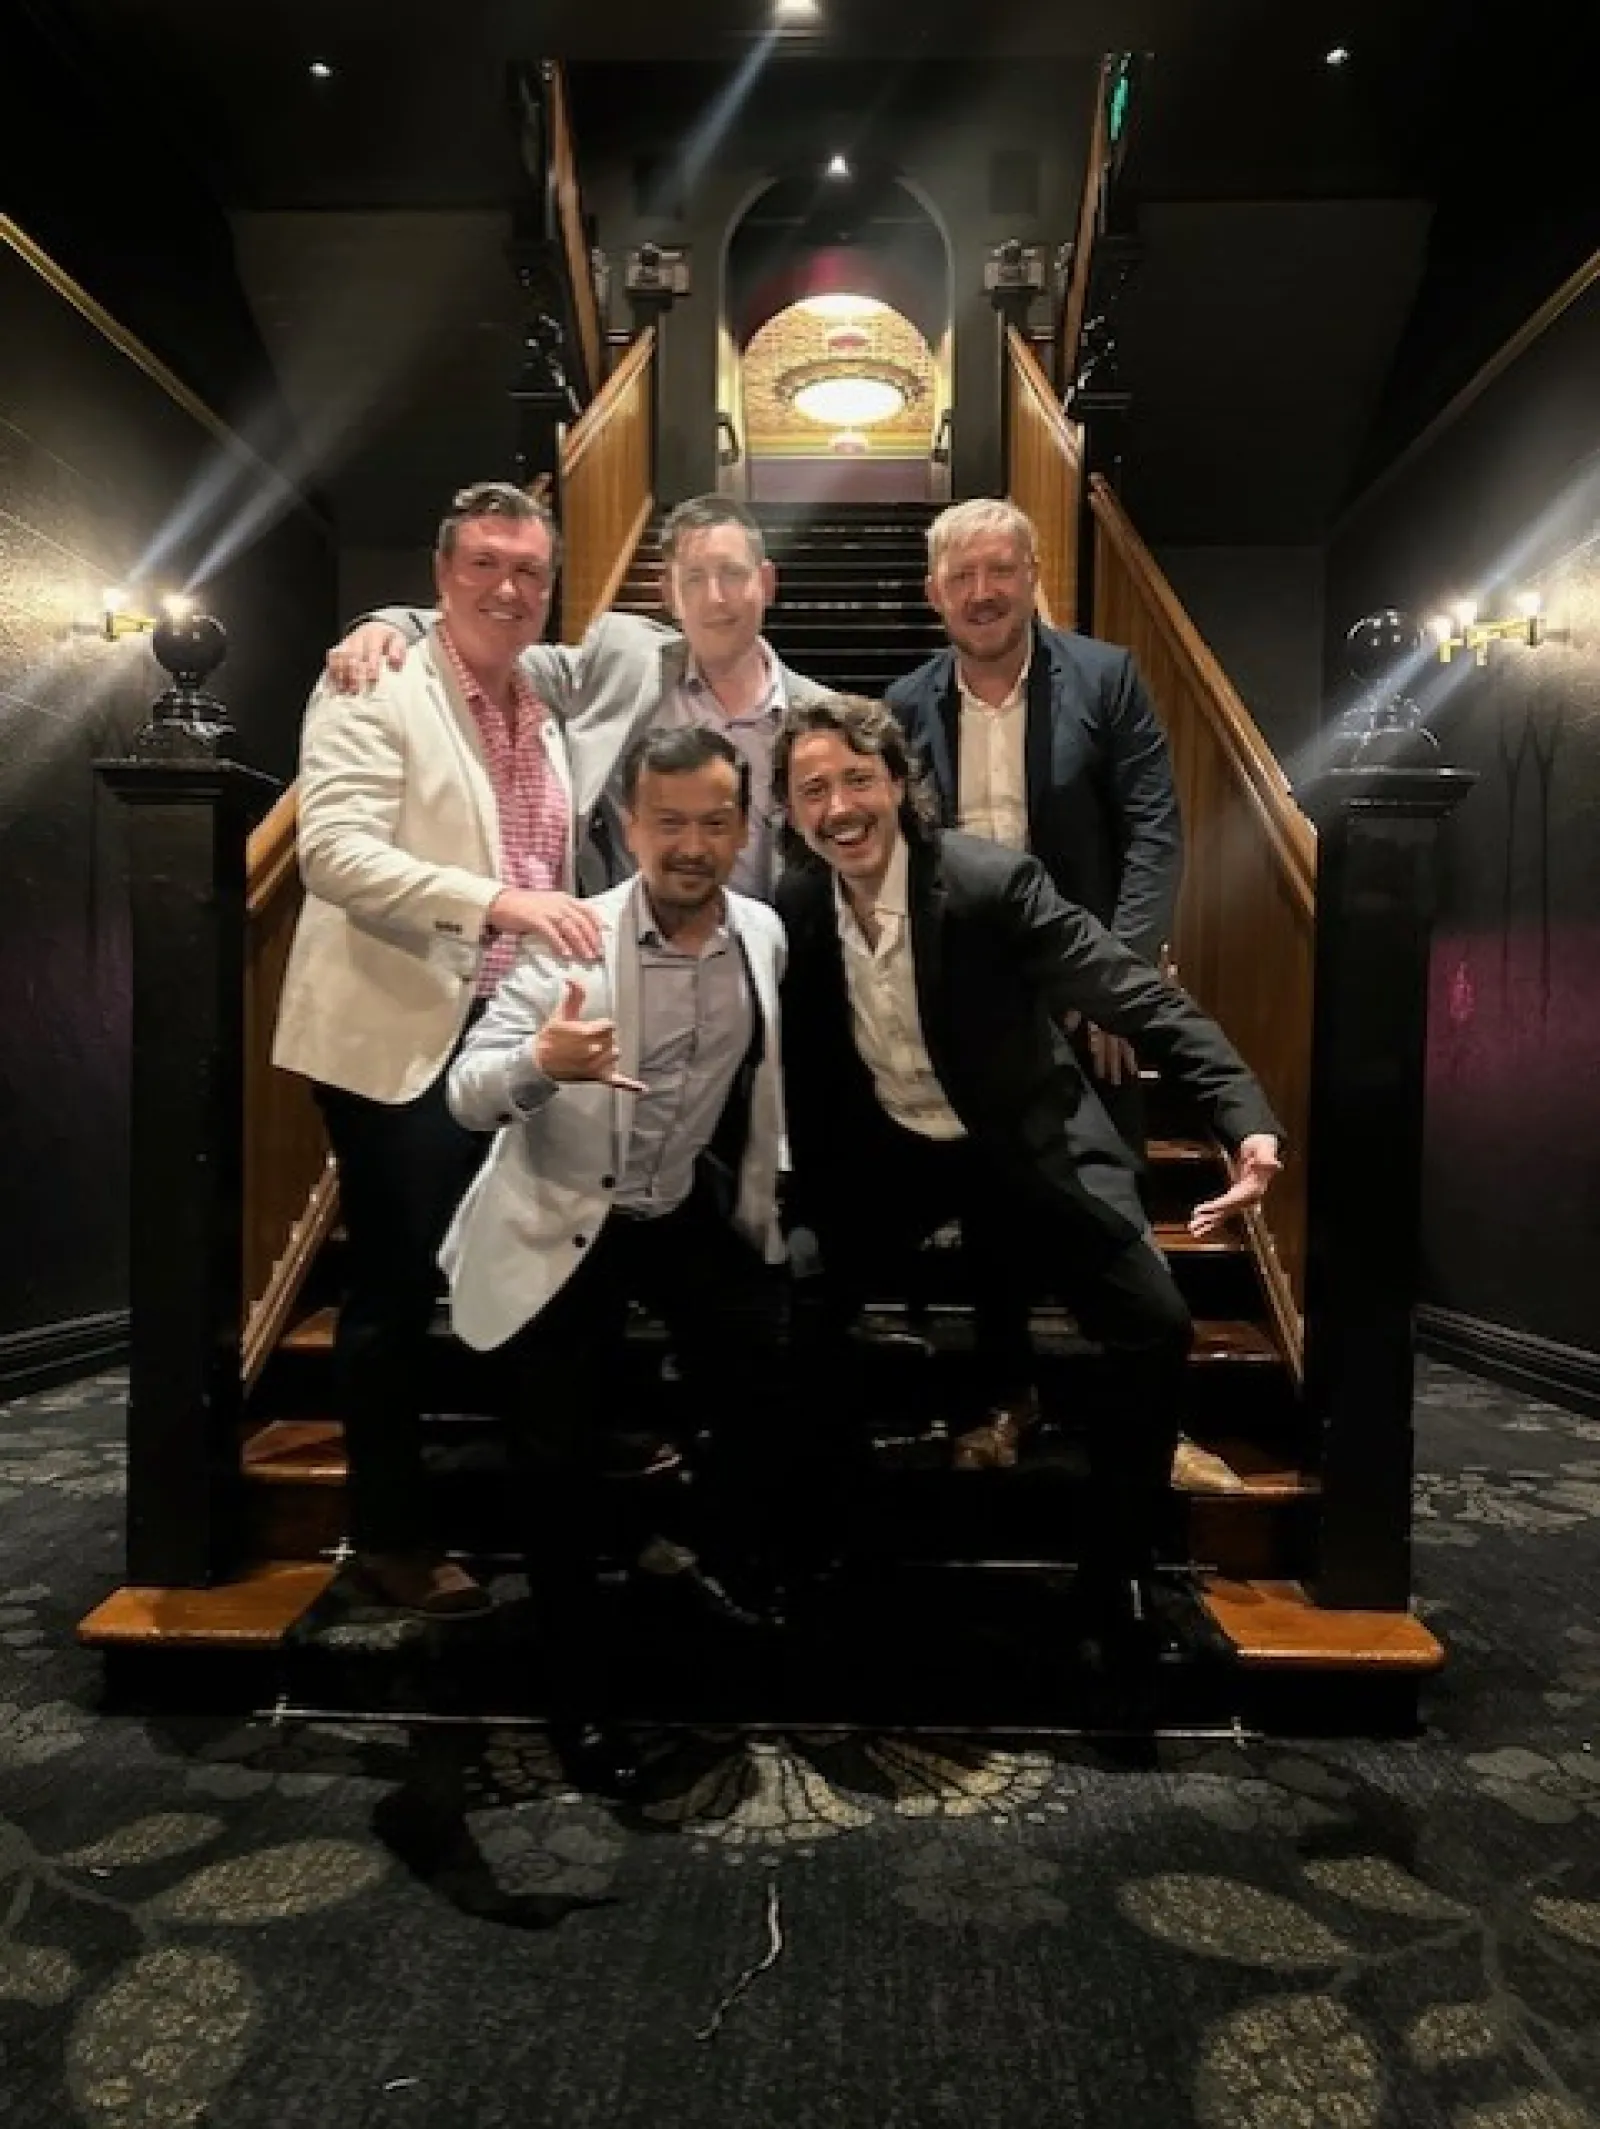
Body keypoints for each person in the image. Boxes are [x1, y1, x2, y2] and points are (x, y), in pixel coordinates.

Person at [772, 694, 1282, 1656]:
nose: (838, 804)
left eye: (856, 779)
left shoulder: (989, 883)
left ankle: (1118, 1572)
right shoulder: (793, 906)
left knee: (1155, 1324)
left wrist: (1242, 1118)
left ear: (898, 786)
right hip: (889, 1153)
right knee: (792, 1305)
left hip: (1017, 1141)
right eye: (813, 788)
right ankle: (829, 1549)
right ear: (792, 812)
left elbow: (1133, 993)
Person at [273, 480, 602, 1619]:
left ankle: (533, 1503)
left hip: (514, 1040)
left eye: (530, 572)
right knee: (396, 1294)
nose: (509, 588)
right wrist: (500, 902)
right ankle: (390, 1536)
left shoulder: (540, 708)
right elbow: (335, 855)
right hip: (401, 1037)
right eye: (485, 566)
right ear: (440, 575)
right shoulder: (373, 681)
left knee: (529, 1269)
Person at [443, 724, 788, 1791]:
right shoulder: (567, 939)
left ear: (743, 826)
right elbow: (464, 1089)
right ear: (629, 825)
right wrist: (542, 1064)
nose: (691, 843)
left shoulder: (765, 934)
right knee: (552, 1461)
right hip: (560, 1210)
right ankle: (574, 1696)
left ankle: (721, 1574)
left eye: (713, 820)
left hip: (675, 1205)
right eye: (669, 820)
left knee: (772, 1371)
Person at [323, 494, 834, 900]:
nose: (715, 597)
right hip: (624, 961)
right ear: (668, 593)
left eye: (733, 574)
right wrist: (388, 623)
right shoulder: (620, 659)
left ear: (766, 583)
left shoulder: (821, 716)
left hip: (766, 961)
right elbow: (490, 640)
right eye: (694, 578)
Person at [885, 496, 1181, 1115]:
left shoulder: (1107, 680)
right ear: (934, 593)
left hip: (1085, 982)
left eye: (1000, 570)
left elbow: (1154, 833)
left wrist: (1119, 984)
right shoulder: (905, 704)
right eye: (961, 576)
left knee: (1104, 1196)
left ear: (1032, 576)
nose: (981, 592)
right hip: (962, 995)